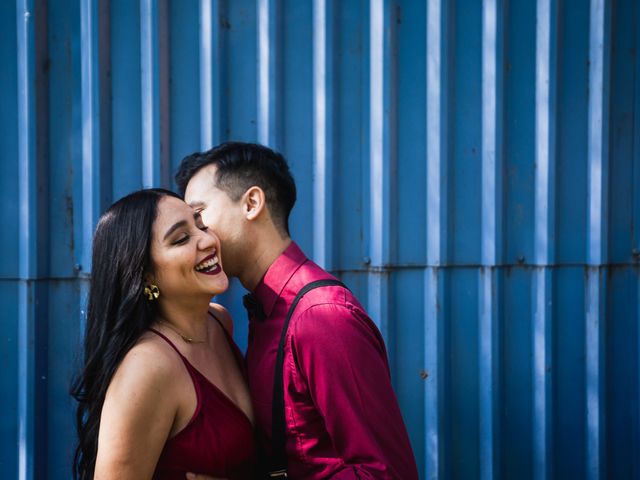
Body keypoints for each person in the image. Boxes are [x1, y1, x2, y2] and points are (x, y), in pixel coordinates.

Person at [176, 142, 419, 479]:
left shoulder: (321, 317)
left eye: (199, 217)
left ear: (251, 203)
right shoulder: (266, 308)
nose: (196, 239)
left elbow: (386, 473)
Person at [71, 188, 255, 480]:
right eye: (181, 238)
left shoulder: (219, 323)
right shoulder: (147, 368)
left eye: (201, 225)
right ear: (146, 275)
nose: (208, 240)